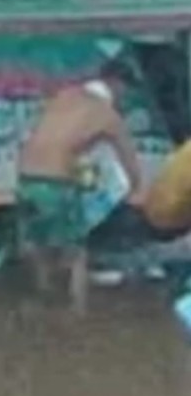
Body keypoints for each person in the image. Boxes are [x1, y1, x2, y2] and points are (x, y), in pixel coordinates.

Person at [17, 58, 147, 314]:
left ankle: (44, 296)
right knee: (76, 251)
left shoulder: (65, 95)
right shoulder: (108, 116)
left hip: (25, 177)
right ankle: (79, 311)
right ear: (116, 84)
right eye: (125, 89)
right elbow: (130, 162)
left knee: (36, 242)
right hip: (56, 183)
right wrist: (136, 191)